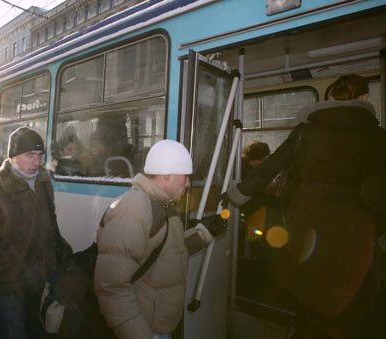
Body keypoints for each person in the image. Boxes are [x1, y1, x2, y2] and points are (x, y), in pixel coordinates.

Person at [228, 74, 386, 338]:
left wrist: (239, 192)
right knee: (349, 299)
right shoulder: (376, 137)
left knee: (309, 292)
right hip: (355, 235)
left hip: (306, 228)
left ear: (330, 96)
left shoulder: (306, 131)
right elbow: (377, 190)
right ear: (365, 98)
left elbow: (271, 166)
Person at [94, 139, 214, 339]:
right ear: (167, 175)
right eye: (184, 176)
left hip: (157, 324)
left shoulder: (162, 205)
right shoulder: (133, 210)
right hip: (144, 328)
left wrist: (200, 236)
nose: (188, 183)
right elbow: (112, 287)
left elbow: (161, 252)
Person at [0, 126, 71, 338]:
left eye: (40, 155)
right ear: (12, 157)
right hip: (8, 291)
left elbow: (51, 228)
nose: (36, 162)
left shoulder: (43, 184)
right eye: (29, 155)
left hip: (42, 284)